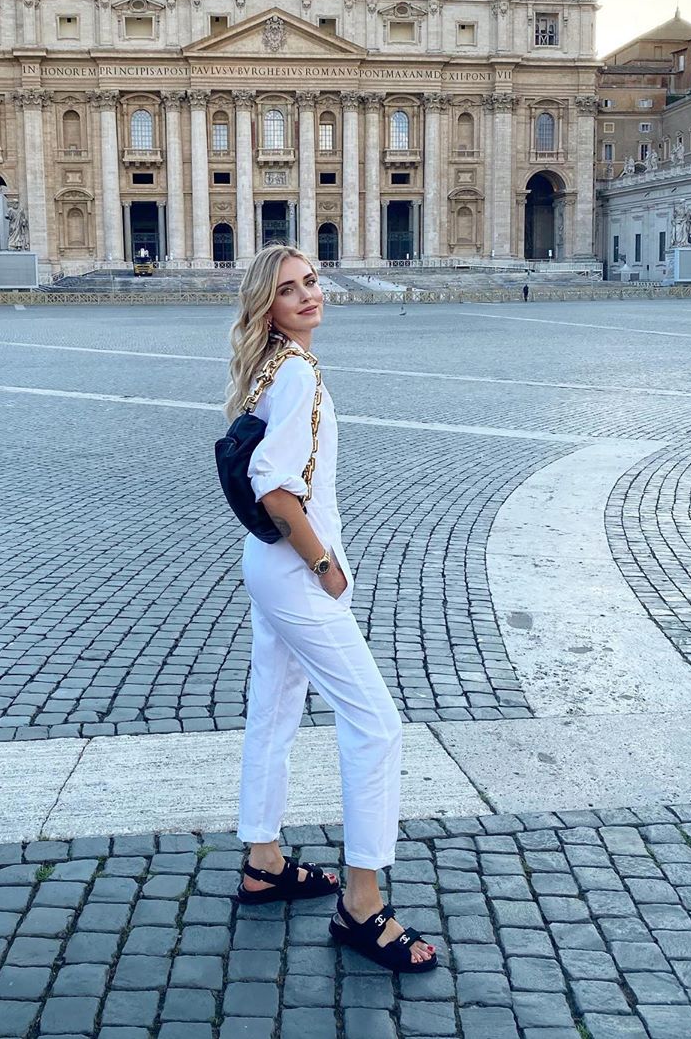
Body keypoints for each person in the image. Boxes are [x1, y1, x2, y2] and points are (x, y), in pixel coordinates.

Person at [224, 244, 436, 972]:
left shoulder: (269, 367)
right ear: (269, 307)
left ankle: (263, 861)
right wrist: (326, 567)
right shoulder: (298, 374)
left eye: (311, 281)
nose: (310, 295)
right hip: (294, 573)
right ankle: (363, 904)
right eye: (290, 289)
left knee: (274, 711)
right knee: (375, 724)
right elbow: (273, 484)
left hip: (267, 568)